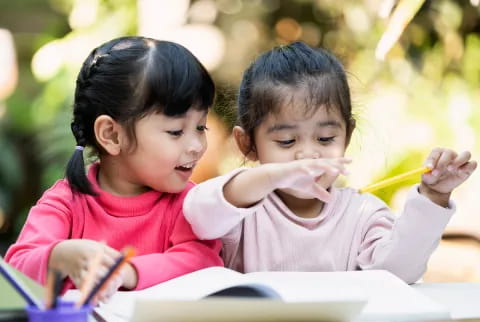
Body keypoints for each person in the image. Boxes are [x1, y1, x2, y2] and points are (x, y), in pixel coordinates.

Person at [183, 42, 477, 284]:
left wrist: (434, 196)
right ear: (247, 144)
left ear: (346, 136)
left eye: (325, 139)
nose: (309, 154)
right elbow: (198, 213)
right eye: (287, 142)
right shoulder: (239, 212)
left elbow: (398, 274)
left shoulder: (362, 213)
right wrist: (271, 178)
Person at [5, 36, 223, 301]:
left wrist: (127, 272)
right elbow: (17, 268)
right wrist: (60, 256)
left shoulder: (191, 203)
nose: (197, 145)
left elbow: (203, 261)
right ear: (111, 135)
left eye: (201, 127)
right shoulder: (66, 202)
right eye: (176, 131)